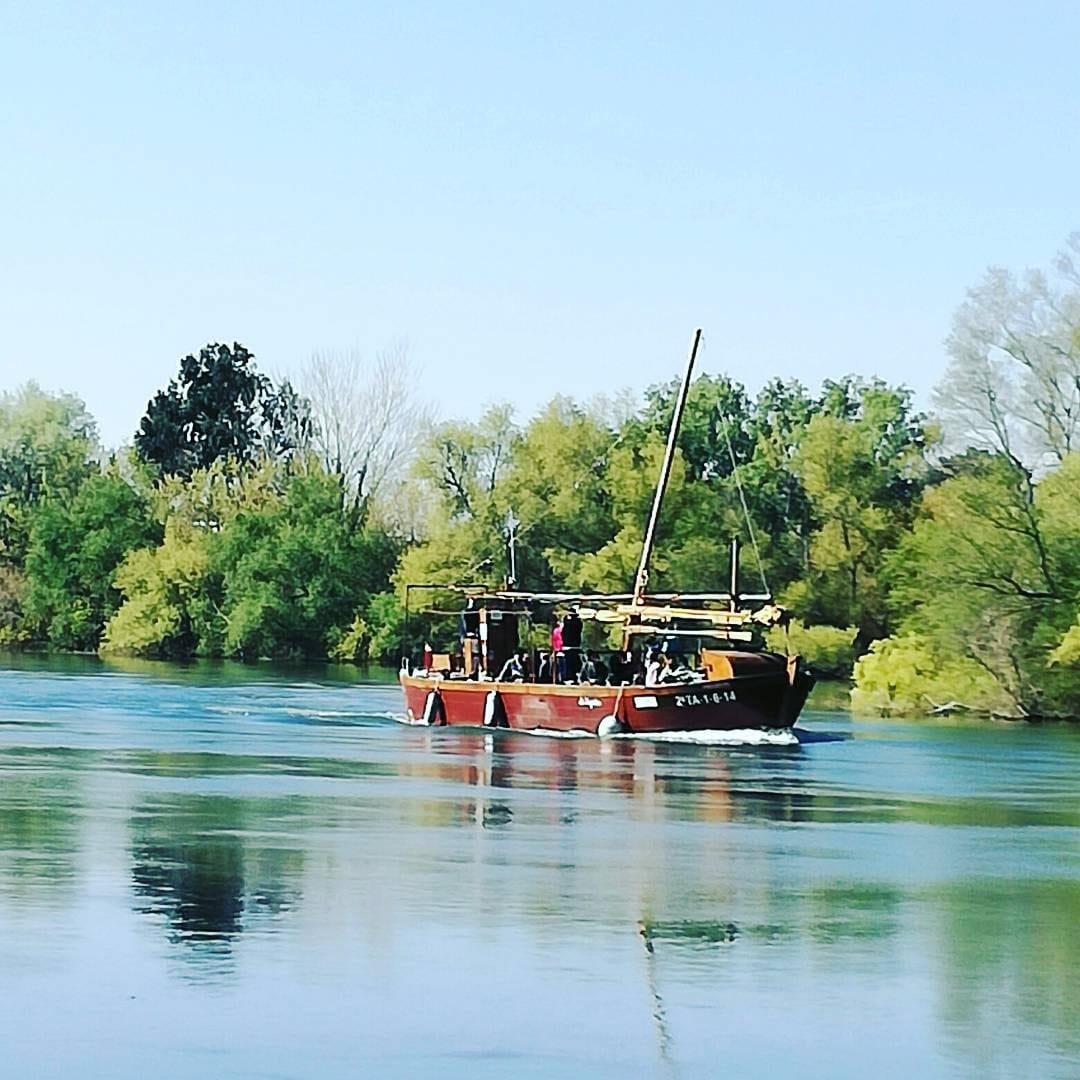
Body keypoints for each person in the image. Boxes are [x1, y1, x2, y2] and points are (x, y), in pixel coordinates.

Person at [561, 606, 583, 682]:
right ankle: (572, 676)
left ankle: (571, 676)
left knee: (570, 663)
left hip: (571, 645)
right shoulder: (577, 622)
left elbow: (566, 628)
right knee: (570, 663)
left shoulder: (573, 623)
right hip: (572, 646)